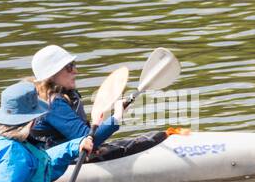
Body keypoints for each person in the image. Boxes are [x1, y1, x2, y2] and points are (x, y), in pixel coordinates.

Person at [27, 44, 166, 161]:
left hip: (67, 155)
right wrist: (116, 117)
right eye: (69, 67)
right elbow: (88, 141)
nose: (76, 71)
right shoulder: (52, 104)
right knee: (148, 142)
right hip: (57, 164)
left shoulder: (59, 95)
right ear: (52, 74)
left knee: (154, 138)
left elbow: (84, 135)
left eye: (73, 65)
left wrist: (110, 115)